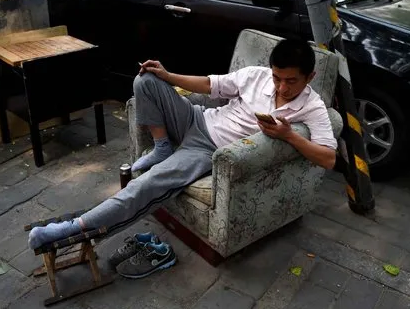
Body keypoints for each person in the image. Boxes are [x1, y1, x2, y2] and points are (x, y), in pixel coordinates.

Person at [28, 39, 337, 279]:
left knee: (147, 184)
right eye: (277, 77)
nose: (281, 87)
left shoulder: (313, 108)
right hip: (195, 119)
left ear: (309, 76)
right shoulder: (255, 76)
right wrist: (166, 74)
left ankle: (73, 229)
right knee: (145, 81)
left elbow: (328, 159)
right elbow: (209, 85)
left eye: (291, 81)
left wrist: (289, 136)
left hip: (208, 151)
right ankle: (162, 145)